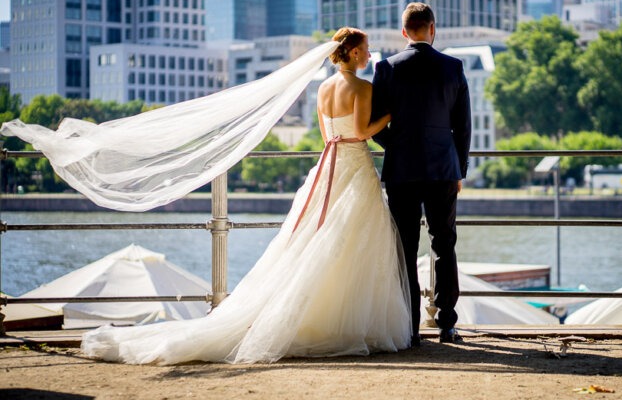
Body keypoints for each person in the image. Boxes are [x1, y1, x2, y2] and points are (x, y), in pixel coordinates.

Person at [79, 27, 412, 364]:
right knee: (354, 239)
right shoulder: (362, 87)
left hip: (329, 166)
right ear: (353, 52)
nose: (369, 53)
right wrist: (391, 115)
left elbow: (329, 136)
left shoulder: (324, 88)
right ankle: (345, 320)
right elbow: (361, 132)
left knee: (316, 237)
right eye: (366, 48)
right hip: (354, 166)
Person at [371, 2, 472, 345]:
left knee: (405, 248)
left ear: (404, 32)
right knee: (444, 243)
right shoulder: (453, 67)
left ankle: (410, 328)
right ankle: (447, 324)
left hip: (402, 169)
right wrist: (460, 169)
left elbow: (374, 125)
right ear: (433, 28)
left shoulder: (386, 68)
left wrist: (398, 145)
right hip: (443, 169)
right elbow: (463, 127)